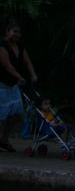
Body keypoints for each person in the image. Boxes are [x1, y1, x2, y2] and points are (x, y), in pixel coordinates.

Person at [0, 19, 37, 152]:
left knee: (18, 114)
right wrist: (19, 77)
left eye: (19, 32)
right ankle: (3, 140)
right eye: (14, 31)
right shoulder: (2, 45)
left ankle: (3, 139)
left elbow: (27, 61)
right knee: (2, 115)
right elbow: (7, 65)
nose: (17, 34)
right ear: (7, 32)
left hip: (13, 84)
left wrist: (33, 74)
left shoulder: (20, 46)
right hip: (1, 84)